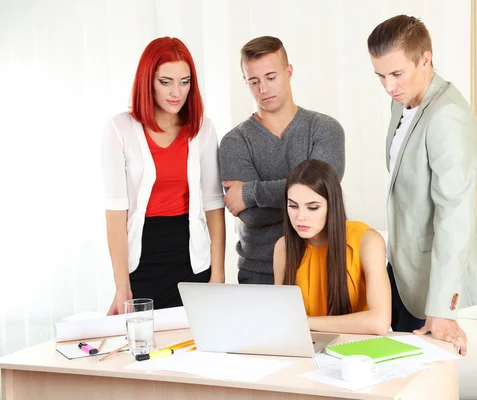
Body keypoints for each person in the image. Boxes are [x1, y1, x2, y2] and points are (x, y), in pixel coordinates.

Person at [367, 15, 477, 355]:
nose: (389, 87)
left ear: (425, 59)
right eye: (380, 76)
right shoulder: (401, 102)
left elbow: (456, 216)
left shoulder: (447, 117)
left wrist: (442, 308)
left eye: (396, 74)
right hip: (403, 274)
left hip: (433, 288)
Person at [101, 37, 226, 314]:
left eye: (184, 81)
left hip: (193, 258)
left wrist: (218, 275)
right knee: (146, 349)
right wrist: (122, 287)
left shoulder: (203, 129)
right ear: (148, 81)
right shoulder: (119, 129)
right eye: (165, 81)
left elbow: (214, 205)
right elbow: (115, 214)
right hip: (142, 260)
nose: (176, 92)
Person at [219, 36, 345, 284]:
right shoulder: (234, 141)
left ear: (288, 72)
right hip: (259, 273)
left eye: (270, 77)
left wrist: (250, 194)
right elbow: (252, 217)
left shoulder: (326, 129)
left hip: (323, 266)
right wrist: (309, 203)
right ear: (245, 81)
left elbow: (323, 192)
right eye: (254, 81)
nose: (263, 89)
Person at [273, 160, 390, 335]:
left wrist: (306, 322)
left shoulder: (367, 241)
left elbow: (379, 322)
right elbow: (281, 318)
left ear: (332, 205)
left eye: (312, 207)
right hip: (305, 344)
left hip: (357, 348)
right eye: (293, 206)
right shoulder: (283, 247)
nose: (300, 217)